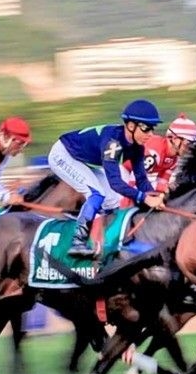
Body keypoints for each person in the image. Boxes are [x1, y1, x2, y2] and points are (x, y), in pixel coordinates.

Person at [49, 99, 165, 257]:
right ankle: (77, 242)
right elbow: (116, 183)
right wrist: (144, 198)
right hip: (63, 155)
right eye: (146, 128)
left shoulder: (138, 147)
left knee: (112, 201)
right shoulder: (113, 143)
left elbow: (142, 180)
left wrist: (154, 197)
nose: (150, 134)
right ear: (131, 126)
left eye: (153, 129)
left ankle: (102, 236)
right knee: (96, 194)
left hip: (84, 160)